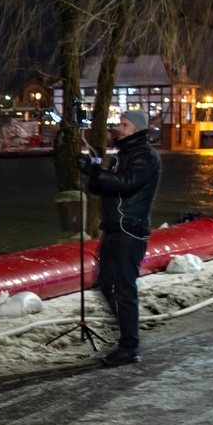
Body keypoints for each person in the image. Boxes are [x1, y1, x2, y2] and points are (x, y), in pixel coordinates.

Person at [77, 108, 162, 367]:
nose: (118, 128)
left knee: (123, 288)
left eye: (124, 125)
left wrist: (95, 173)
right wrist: (92, 171)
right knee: (107, 285)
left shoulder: (144, 156)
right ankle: (128, 339)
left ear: (136, 129)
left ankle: (129, 347)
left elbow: (126, 182)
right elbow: (105, 186)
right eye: (119, 123)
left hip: (129, 231)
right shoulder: (122, 154)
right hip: (116, 229)